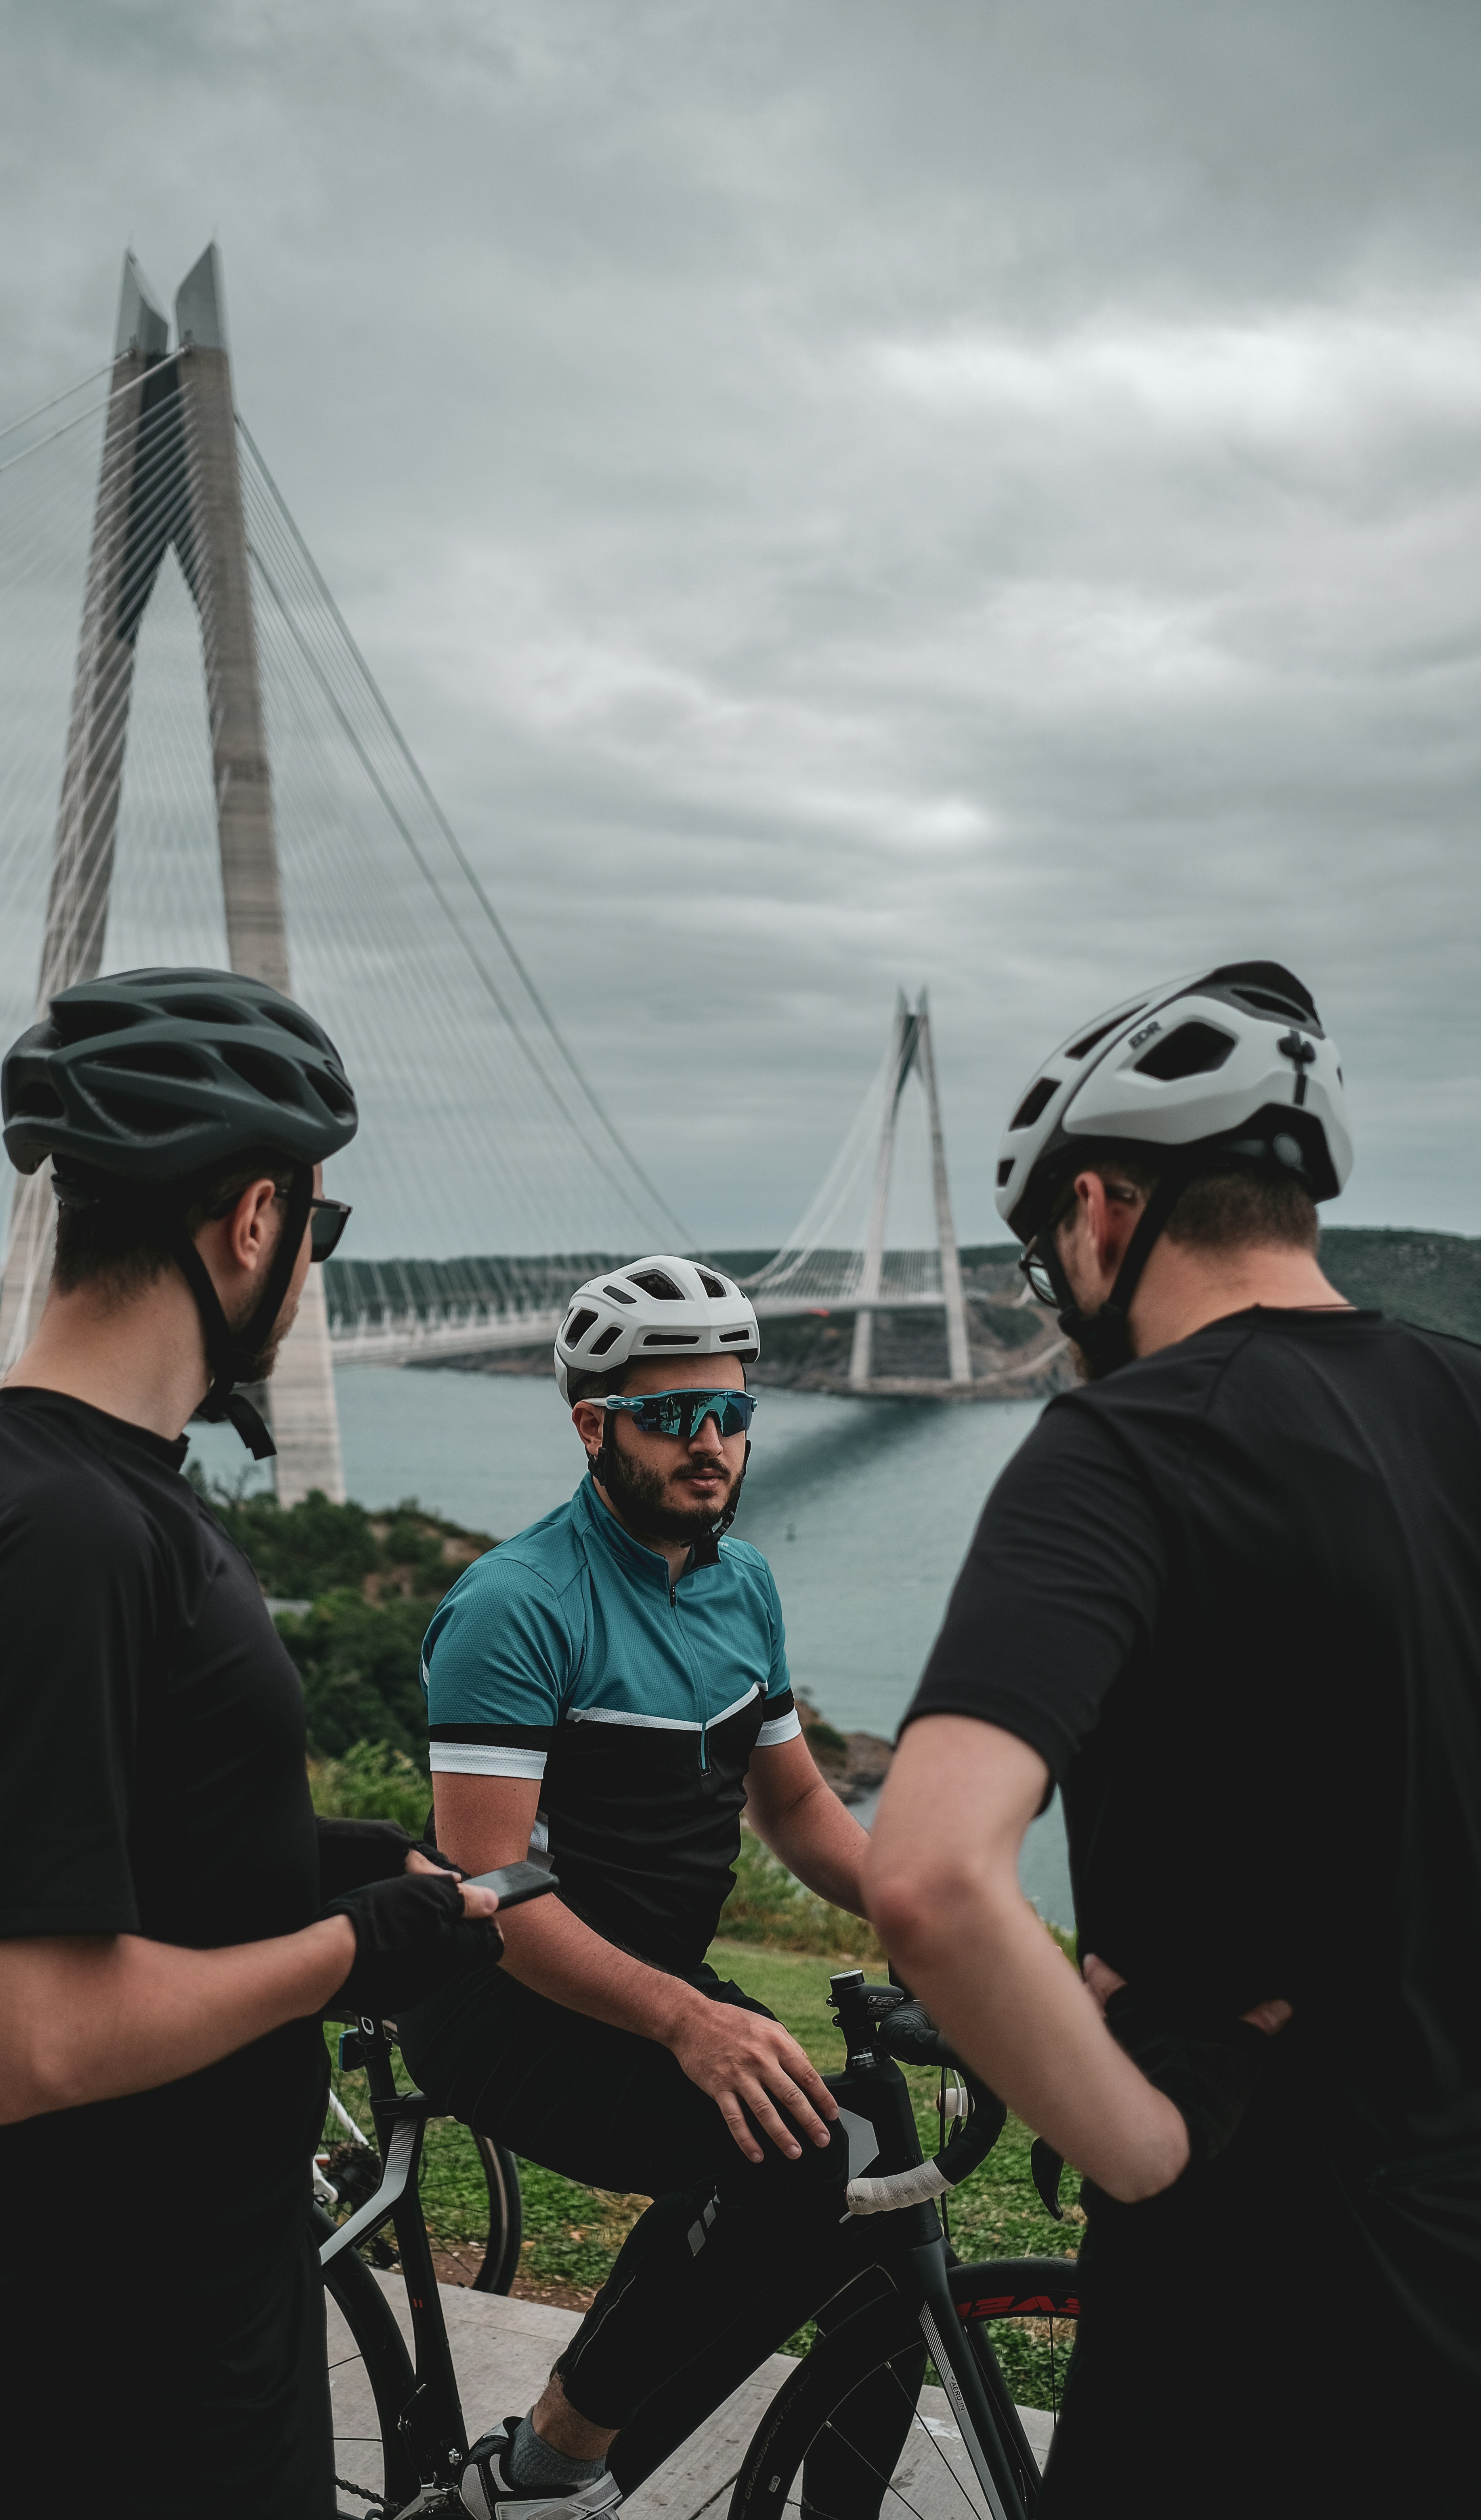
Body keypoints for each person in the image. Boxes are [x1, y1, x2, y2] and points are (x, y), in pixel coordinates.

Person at [0, 966, 502, 2520]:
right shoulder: (56, 1531)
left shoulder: (121, 1487)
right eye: (318, 1231)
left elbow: (135, 1847)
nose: (306, 1271)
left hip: (188, 2288)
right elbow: (19, 2042)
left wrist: (342, 1868)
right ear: (250, 1219)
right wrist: (355, 1948)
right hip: (110, 2346)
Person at [864, 960, 1481, 2512]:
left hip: (1261, 2306)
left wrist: (1139, 2143)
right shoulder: (1464, 1400)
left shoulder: (1128, 1445)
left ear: (1099, 1214)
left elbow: (932, 1877)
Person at [394, 1254, 874, 2519]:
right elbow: (493, 1885)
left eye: (732, 1413)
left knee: (856, 2151)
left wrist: (938, 1920)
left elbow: (803, 1812)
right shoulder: (516, 1606)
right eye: (672, 1417)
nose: (710, 1442)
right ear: (594, 1427)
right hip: (498, 1993)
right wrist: (688, 2022)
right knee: (780, 2166)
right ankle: (537, 2476)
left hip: (648, 1980)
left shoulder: (743, 1583)